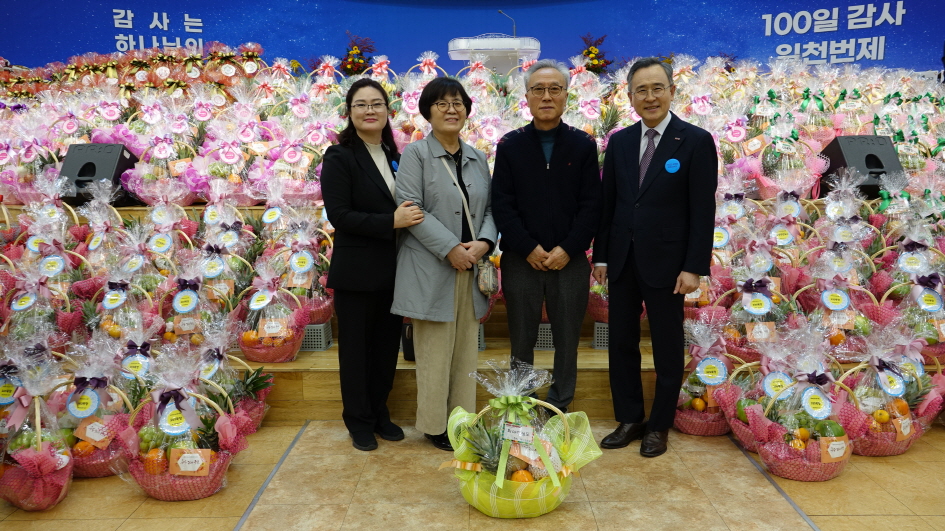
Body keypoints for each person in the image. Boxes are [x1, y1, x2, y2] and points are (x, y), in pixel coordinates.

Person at [593, 57, 718, 457]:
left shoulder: (695, 140)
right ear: (630, 96)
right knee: (621, 343)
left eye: (657, 88)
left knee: (667, 346)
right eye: (641, 90)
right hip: (622, 260)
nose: (650, 97)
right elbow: (609, 204)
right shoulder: (620, 142)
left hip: (669, 264)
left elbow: (703, 210)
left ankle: (659, 425)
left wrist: (694, 267)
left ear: (672, 92)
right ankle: (629, 418)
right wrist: (601, 257)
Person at [391, 77, 497, 451]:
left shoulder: (478, 158)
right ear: (428, 111)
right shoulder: (415, 155)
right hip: (430, 268)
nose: (451, 110)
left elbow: (491, 209)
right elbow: (410, 208)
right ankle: (436, 426)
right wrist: (451, 248)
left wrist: (484, 243)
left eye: (458, 103)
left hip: (470, 266)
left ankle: (462, 420)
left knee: (466, 350)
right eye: (442, 103)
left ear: (467, 110)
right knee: (434, 352)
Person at [491, 59, 601, 412]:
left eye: (555, 89)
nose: (547, 96)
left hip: (570, 261)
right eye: (538, 89)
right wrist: (528, 247)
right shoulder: (510, 144)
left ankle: (558, 407)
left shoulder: (583, 144)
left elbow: (592, 205)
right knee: (521, 340)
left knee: (567, 340)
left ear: (567, 95)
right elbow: (502, 204)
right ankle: (522, 406)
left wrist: (569, 248)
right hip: (521, 259)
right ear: (526, 96)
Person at [321, 78, 424, 451]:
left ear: (387, 111)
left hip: (395, 269)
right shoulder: (339, 156)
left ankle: (381, 412)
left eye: (376, 104)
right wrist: (390, 221)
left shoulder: (396, 155)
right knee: (356, 352)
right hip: (357, 273)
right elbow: (340, 215)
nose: (369, 110)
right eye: (361, 104)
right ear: (349, 112)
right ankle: (359, 421)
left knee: (385, 349)